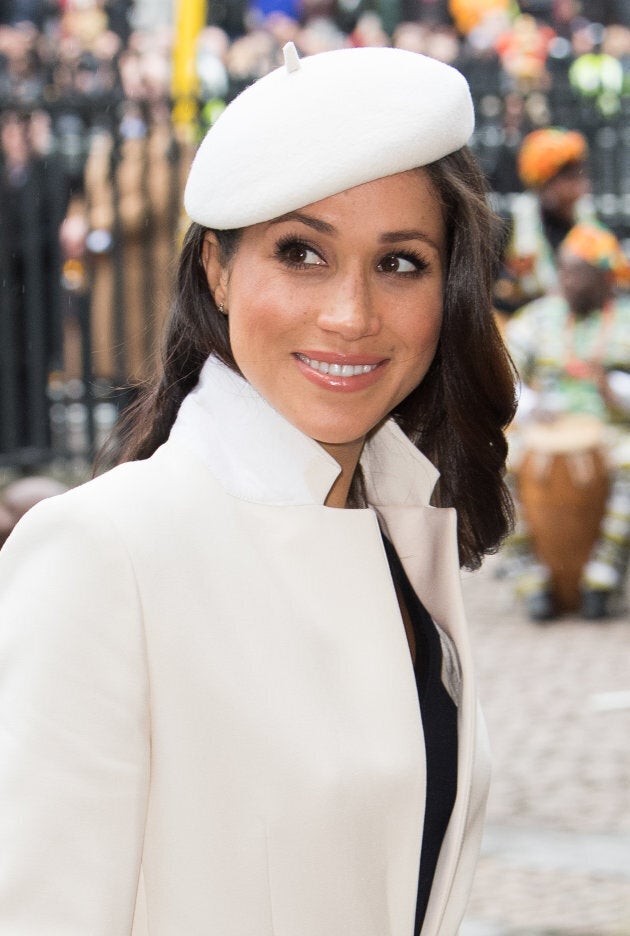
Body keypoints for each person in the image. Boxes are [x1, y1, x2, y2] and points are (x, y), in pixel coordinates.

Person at [0, 43, 516, 936]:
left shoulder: (403, 536)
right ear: (217, 268)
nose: (351, 314)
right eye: (302, 252)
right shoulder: (105, 554)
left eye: (399, 263)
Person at [504, 221, 630, 620]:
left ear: (604, 279)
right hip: (543, 431)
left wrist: (615, 390)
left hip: (611, 430)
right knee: (497, 464)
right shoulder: (537, 319)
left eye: (578, 273)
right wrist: (531, 404)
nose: (566, 281)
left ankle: (604, 574)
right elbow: (500, 379)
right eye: (564, 270)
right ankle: (531, 577)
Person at [494, 126, 594, 317]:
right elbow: (498, 292)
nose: (580, 188)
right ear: (544, 184)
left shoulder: (588, 226)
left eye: (581, 177)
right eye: (569, 179)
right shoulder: (513, 224)